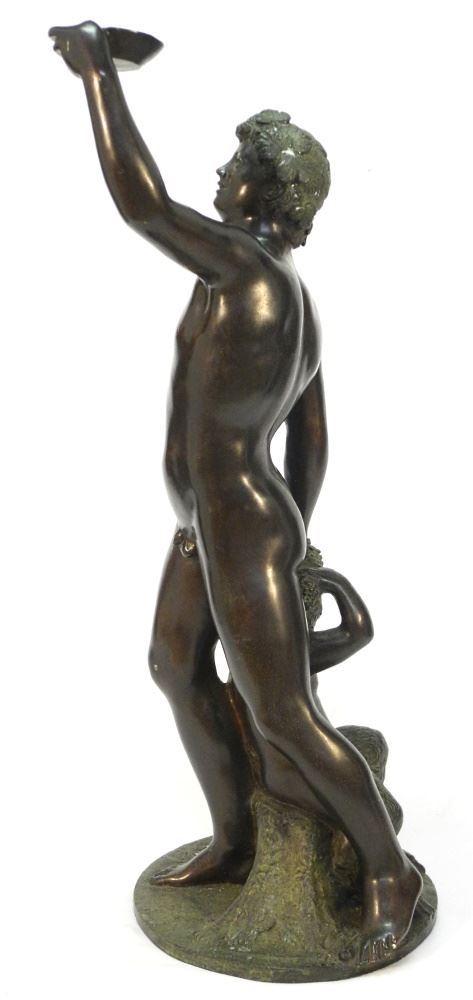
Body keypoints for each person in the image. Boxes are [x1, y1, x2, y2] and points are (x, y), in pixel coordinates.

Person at [50, 21, 422, 964]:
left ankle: (387, 870)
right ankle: (235, 838)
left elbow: (141, 205)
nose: (221, 173)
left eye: (236, 163)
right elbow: (313, 437)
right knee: (174, 668)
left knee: (283, 712)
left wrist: (97, 73)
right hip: (212, 524)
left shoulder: (247, 268)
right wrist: (300, 534)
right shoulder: (282, 290)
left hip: (239, 526)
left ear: (270, 189)